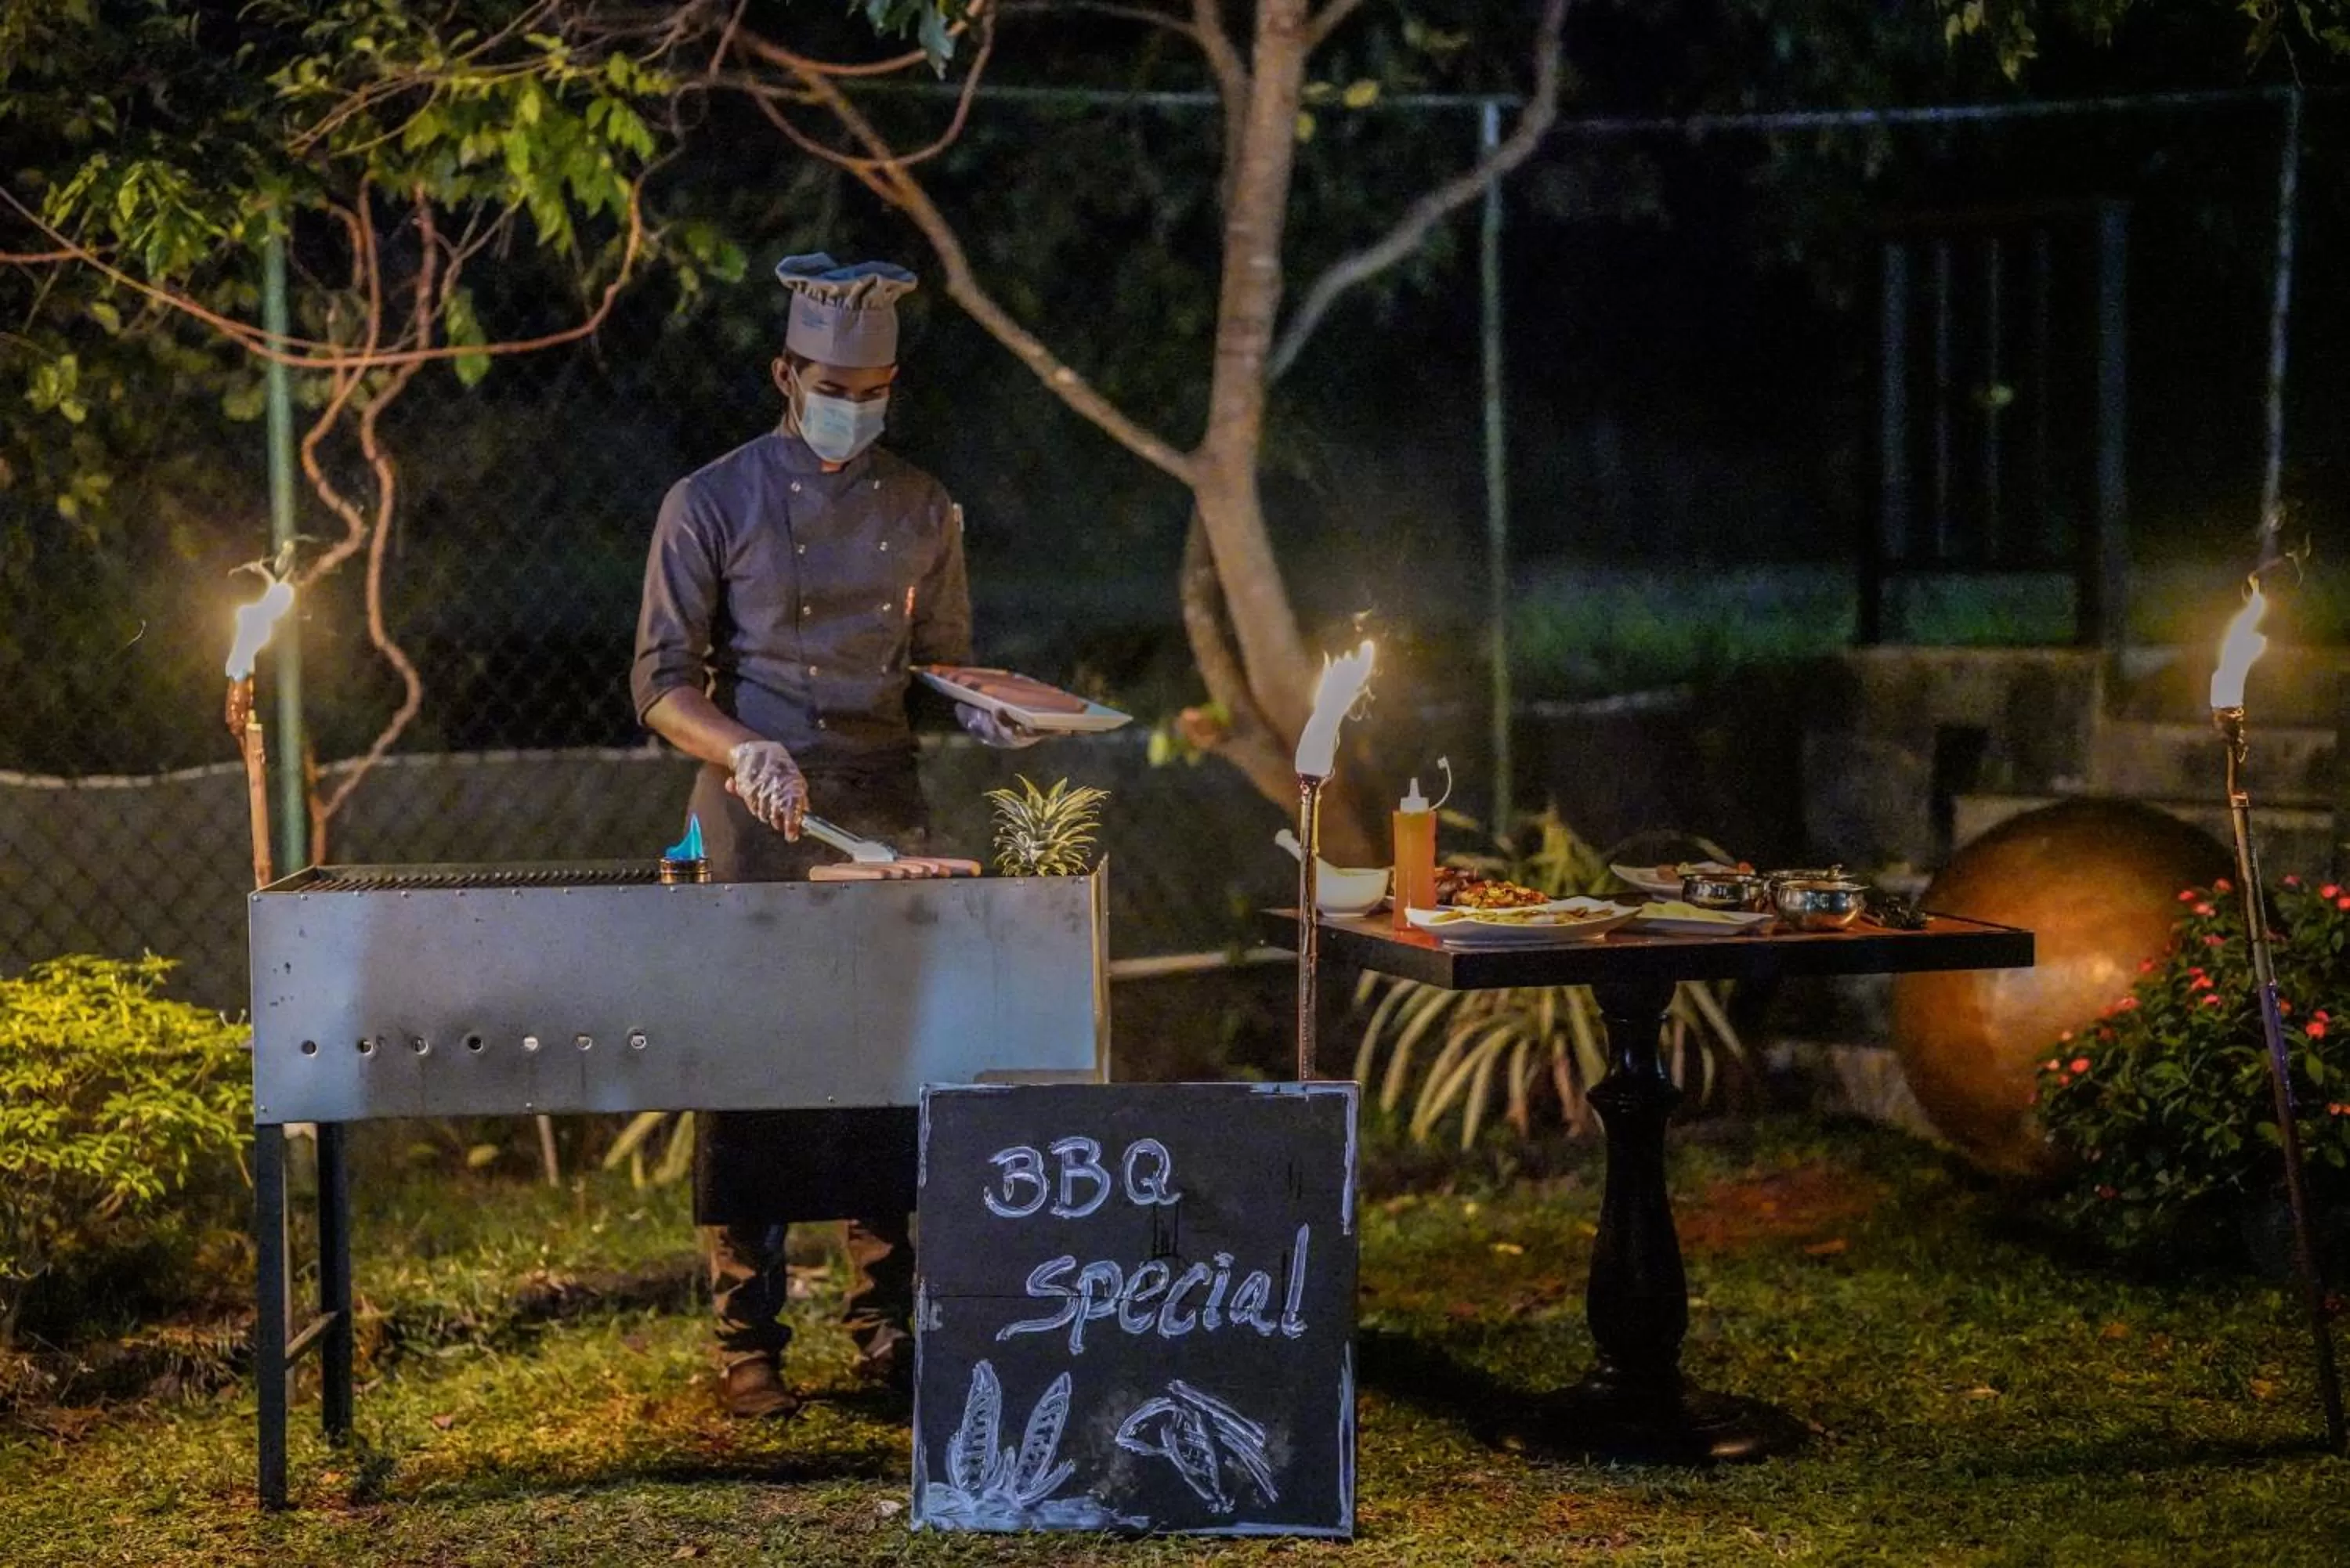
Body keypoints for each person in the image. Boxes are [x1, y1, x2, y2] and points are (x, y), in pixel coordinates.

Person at [631, 253, 1039, 1419]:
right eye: (830, 384)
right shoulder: (708, 501)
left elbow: (941, 664)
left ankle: (883, 1323)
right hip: (753, 799)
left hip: (882, 794)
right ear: (785, 372)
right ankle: (745, 1337)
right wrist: (740, 746)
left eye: (872, 389)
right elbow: (661, 680)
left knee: (891, 1063)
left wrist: (984, 708)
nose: (853, 407)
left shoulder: (925, 506)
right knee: (750, 1061)